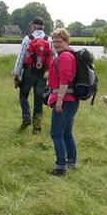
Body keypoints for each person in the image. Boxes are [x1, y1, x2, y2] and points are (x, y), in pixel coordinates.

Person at [46, 28, 80, 176]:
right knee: (66, 133)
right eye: (54, 42)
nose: (57, 44)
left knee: (56, 133)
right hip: (70, 100)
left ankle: (60, 166)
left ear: (66, 42)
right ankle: (71, 161)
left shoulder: (65, 57)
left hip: (65, 100)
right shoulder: (66, 55)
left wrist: (59, 100)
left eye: (60, 41)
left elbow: (65, 80)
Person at [11, 17, 51, 133]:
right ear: (43, 27)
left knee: (23, 96)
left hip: (29, 72)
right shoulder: (49, 40)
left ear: (34, 26)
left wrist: (16, 75)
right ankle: (37, 128)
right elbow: (53, 58)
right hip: (43, 74)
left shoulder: (27, 39)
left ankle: (26, 118)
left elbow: (21, 57)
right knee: (38, 100)